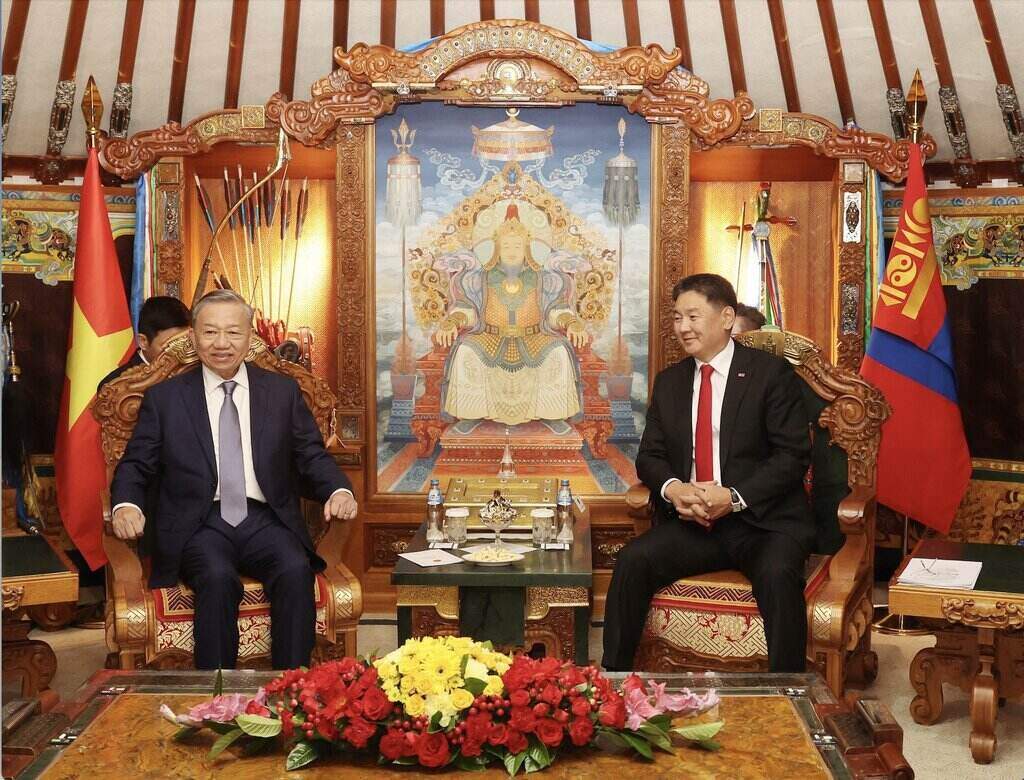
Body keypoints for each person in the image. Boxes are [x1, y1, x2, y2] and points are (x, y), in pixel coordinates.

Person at [110, 289, 358, 670]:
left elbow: (310, 454)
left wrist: (338, 489)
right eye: (210, 333)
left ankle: (290, 691)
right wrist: (126, 504)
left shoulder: (281, 392)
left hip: (264, 519)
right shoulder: (166, 398)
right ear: (193, 337)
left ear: (249, 335)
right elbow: (135, 464)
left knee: (295, 570)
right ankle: (217, 696)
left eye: (232, 333)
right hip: (200, 522)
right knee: (217, 576)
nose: (221, 344)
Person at [603, 273, 812, 673]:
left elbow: (791, 457)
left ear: (727, 317)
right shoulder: (670, 382)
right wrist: (672, 488)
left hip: (764, 522)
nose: (683, 327)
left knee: (777, 573)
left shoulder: (770, 375)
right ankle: (615, 683)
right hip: (697, 522)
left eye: (693, 316)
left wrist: (732, 496)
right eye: (677, 317)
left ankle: (787, 695)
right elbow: (650, 456)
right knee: (633, 560)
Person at [438, 203, 586, 433]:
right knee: (466, 350)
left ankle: (553, 414)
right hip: (489, 337)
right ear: (496, 248)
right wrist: (452, 321)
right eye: (506, 244)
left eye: (517, 244)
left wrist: (572, 323)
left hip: (534, 338)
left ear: (527, 247)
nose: (511, 249)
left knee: (558, 351)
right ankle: (470, 414)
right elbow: (468, 309)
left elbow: (556, 310)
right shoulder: (480, 278)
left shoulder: (544, 279)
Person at [98, 296, 191, 390]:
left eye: (185, 342)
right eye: (168, 346)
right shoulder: (115, 386)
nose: (180, 352)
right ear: (143, 342)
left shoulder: (195, 370)